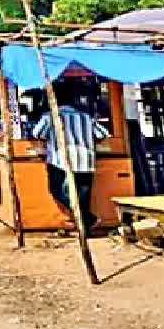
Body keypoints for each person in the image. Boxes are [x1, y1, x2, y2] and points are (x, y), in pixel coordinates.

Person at [32, 92, 110, 233]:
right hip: (86, 160)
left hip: (60, 161)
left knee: (56, 190)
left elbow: (38, 134)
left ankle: (87, 219)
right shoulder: (86, 117)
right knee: (83, 197)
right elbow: (103, 134)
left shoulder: (50, 116)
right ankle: (85, 227)